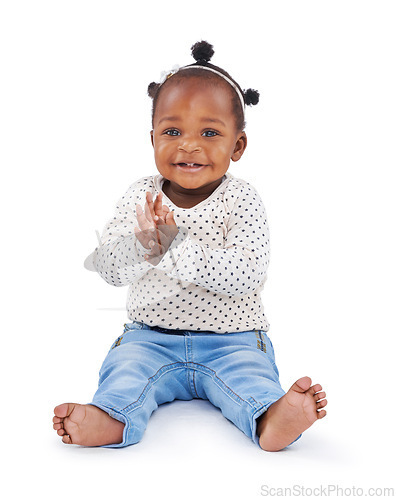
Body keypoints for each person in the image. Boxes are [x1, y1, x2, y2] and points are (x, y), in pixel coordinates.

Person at [52, 41, 327, 451]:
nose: (189, 145)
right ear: (152, 138)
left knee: (251, 376)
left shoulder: (242, 199)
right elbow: (107, 267)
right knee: (125, 371)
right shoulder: (139, 196)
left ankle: (271, 418)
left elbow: (246, 273)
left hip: (232, 339)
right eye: (173, 131)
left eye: (210, 132)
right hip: (149, 338)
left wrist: (174, 248)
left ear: (237, 146)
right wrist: (143, 245)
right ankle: (112, 418)